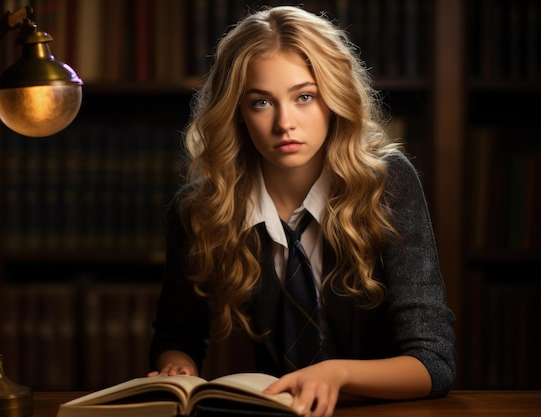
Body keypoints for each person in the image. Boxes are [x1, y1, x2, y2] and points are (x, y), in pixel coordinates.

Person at [147, 5, 456, 417]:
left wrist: (337, 375)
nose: (284, 123)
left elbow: (433, 364)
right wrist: (177, 366)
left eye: (304, 97)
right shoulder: (201, 209)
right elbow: (177, 335)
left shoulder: (387, 184)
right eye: (261, 103)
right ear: (237, 112)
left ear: (333, 99)